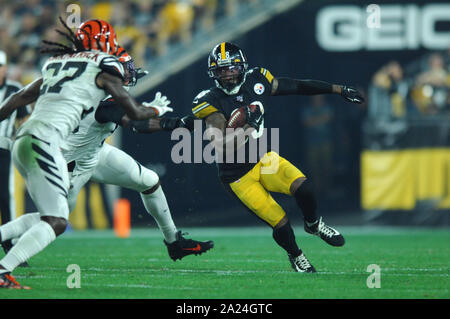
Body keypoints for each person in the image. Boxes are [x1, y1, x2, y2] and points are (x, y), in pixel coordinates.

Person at [0, 45, 214, 273]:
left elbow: (21, 96)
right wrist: (177, 122)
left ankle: (174, 242)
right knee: (53, 219)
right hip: (70, 162)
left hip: (93, 151)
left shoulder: (88, 81)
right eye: (125, 69)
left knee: (149, 181)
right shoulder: (103, 92)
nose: (130, 74)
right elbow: (137, 123)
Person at [190, 42, 364, 273]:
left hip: (263, 159)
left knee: (304, 188)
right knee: (280, 222)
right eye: (222, 70)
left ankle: (313, 225)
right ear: (214, 73)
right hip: (237, 176)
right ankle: (296, 255)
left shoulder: (257, 79)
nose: (228, 74)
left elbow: (296, 86)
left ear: (241, 67)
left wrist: (338, 89)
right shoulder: (208, 100)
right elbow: (221, 146)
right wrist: (248, 129)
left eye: (232, 68)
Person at [0, 50, 30, 255]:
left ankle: (9, 242)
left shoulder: (14, 89)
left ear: (5, 68)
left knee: (5, 196)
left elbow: (24, 120)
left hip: (2, 147)